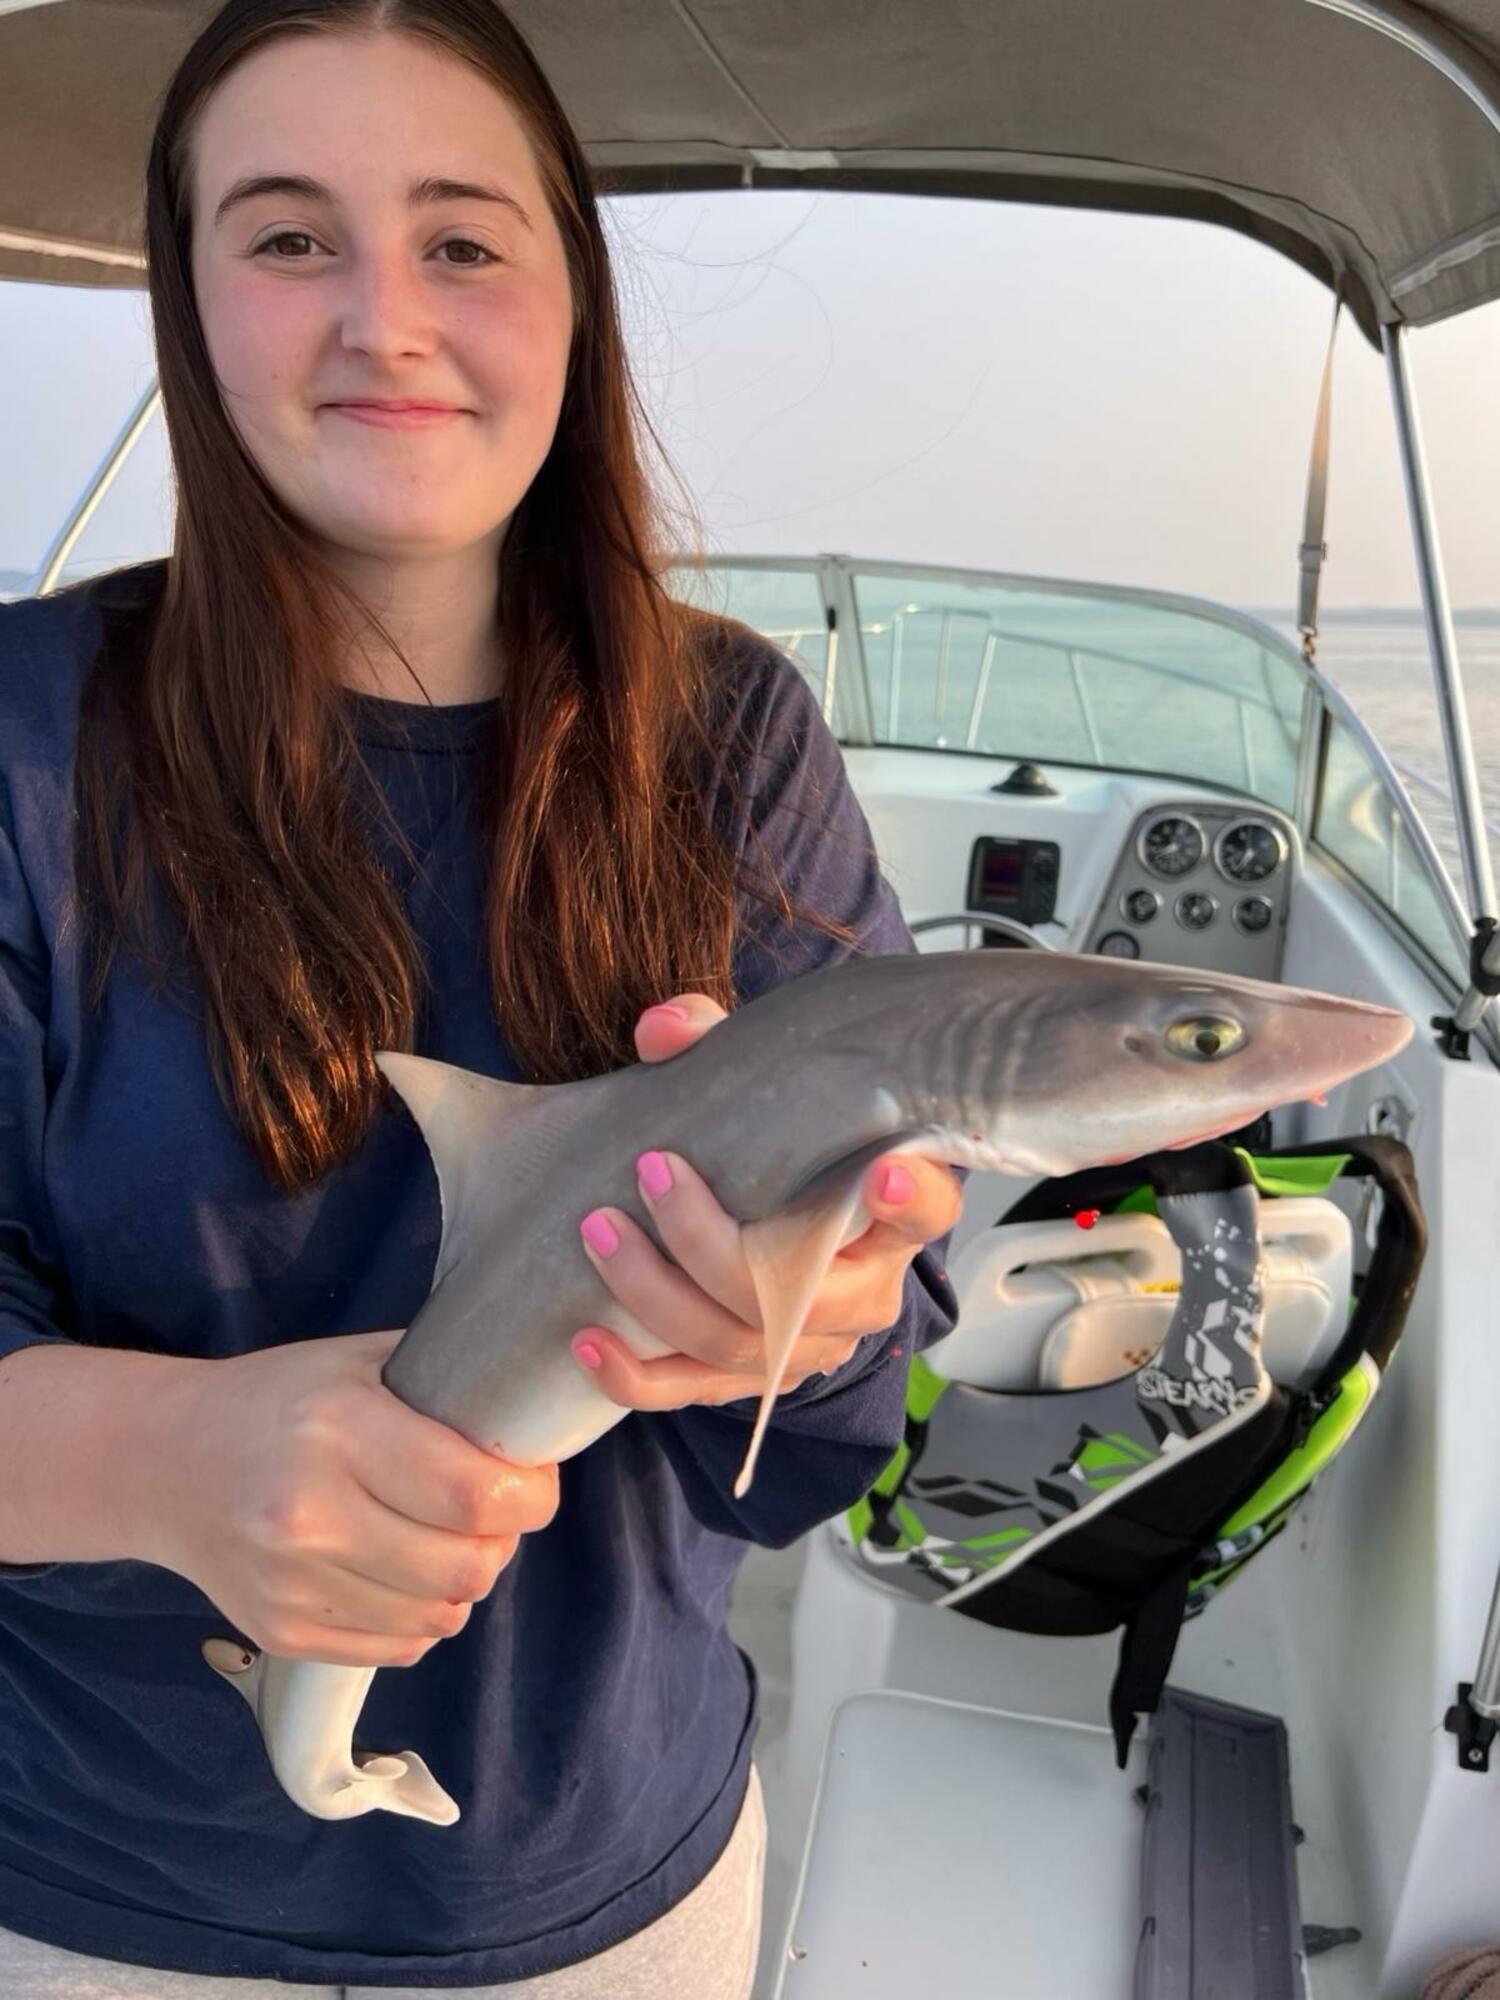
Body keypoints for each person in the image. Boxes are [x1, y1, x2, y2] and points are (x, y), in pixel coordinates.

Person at [0, 1, 965, 1993]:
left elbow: (826, 1441)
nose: (386, 318)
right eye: (286, 238)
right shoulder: (20, 745)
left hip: (622, 1883)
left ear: (572, 295)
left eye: (460, 238)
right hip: (92, 1887)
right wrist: (163, 1464)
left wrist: (820, 1313)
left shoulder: (737, 740)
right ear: (187, 302)